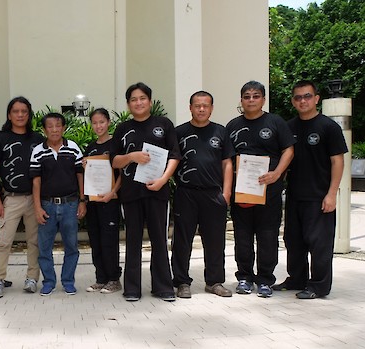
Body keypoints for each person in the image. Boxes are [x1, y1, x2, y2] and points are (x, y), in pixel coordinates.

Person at [273, 80, 347, 299]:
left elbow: (338, 161)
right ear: (293, 101)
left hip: (320, 197)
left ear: (316, 99)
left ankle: (319, 286)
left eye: (307, 96)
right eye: (298, 97)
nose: (302, 101)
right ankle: (297, 279)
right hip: (295, 196)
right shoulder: (288, 127)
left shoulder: (328, 127)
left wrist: (332, 194)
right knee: (293, 241)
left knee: (319, 244)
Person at [110, 82, 181, 302]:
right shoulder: (123, 128)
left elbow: (174, 156)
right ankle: (132, 288)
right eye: (133, 99)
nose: (138, 102)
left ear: (150, 101)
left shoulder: (164, 124)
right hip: (131, 193)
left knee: (160, 239)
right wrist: (132, 157)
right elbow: (114, 161)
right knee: (133, 240)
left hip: (157, 192)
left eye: (142, 98)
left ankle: (163, 287)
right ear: (128, 104)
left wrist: (163, 180)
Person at [225, 80, 295, 298]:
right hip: (242, 192)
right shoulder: (233, 126)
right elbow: (226, 159)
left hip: (269, 192)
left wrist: (277, 174)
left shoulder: (275, 122)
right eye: (247, 96)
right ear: (241, 100)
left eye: (256, 96)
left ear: (263, 99)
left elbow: (289, 150)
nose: (251, 100)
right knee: (242, 236)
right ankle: (244, 277)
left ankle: (265, 279)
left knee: (267, 236)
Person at [171, 91, 234, 299]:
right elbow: (170, 161)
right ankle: (181, 281)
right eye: (197, 105)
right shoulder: (179, 132)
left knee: (215, 240)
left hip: (213, 194)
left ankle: (214, 281)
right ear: (190, 107)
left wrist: (226, 194)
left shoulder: (221, 132)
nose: (201, 109)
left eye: (205, 105)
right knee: (182, 240)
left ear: (211, 108)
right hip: (186, 194)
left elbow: (227, 164)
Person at [0, 96, 45, 298]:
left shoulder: (38, 139)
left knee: (34, 241)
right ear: (9, 115)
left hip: (34, 198)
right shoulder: (0, 139)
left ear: (29, 114)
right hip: (10, 199)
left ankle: (31, 278)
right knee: (2, 241)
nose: (20, 115)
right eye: (16, 111)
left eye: (24, 111)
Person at [30, 112, 86, 296]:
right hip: (47, 206)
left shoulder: (73, 148)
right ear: (44, 129)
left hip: (70, 205)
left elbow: (80, 175)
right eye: (50, 126)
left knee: (71, 246)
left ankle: (68, 281)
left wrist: (82, 201)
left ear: (63, 127)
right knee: (44, 247)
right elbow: (36, 181)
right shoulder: (38, 151)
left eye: (58, 125)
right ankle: (49, 281)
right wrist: (37, 207)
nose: (54, 129)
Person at [83, 108, 122, 294]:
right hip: (93, 202)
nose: (98, 126)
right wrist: (85, 166)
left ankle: (114, 279)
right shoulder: (90, 148)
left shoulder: (116, 144)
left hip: (110, 202)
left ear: (108, 122)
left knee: (109, 241)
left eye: (102, 122)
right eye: (95, 123)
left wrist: (114, 192)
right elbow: (88, 176)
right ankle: (101, 278)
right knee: (96, 240)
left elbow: (122, 173)